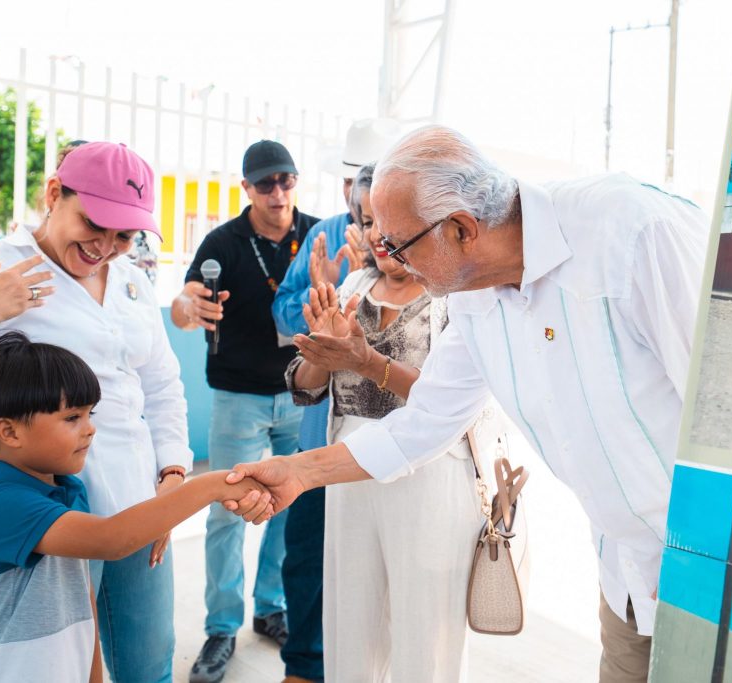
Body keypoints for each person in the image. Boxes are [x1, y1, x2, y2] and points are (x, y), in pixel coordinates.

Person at [225, 125, 708, 683]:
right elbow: (426, 420)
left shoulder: (636, 233)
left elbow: (729, 419)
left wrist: (701, 555)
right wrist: (299, 472)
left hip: (716, 570)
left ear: (460, 229)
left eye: (398, 244)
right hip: (625, 574)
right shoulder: (474, 292)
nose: (387, 255)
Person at [0, 142, 191, 683]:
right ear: (54, 194)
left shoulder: (132, 281)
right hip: (42, 524)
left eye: (125, 235)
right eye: (94, 224)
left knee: (150, 666)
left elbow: (161, 385)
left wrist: (172, 471)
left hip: (139, 504)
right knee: (54, 669)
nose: (106, 247)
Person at [0, 332, 268, 682]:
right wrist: (211, 485)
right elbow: (111, 540)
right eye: (72, 418)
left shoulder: (68, 489)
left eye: (90, 414)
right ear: (10, 432)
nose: (90, 429)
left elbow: (83, 602)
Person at [287, 164, 494, 682]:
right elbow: (306, 387)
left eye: (388, 221)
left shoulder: (454, 297)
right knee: (350, 618)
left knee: (425, 626)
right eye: (366, 221)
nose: (378, 234)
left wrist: (364, 361)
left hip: (431, 474)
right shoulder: (352, 286)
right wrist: (321, 352)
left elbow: (446, 401)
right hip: (349, 469)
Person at [170, 139, 319, 683]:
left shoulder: (318, 234)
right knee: (227, 511)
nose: (277, 192)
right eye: (265, 183)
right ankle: (221, 627)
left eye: (285, 179)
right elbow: (183, 302)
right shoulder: (224, 242)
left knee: (290, 507)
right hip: (238, 396)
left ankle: (270, 606)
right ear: (246, 188)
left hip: (303, 394)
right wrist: (189, 307)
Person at [270, 118, 399, 683]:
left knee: (376, 579)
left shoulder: (423, 260)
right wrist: (322, 290)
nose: (356, 195)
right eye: (350, 182)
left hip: (393, 458)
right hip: (319, 436)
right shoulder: (323, 234)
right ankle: (303, 665)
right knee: (307, 558)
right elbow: (285, 314)